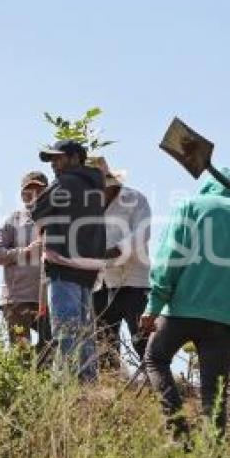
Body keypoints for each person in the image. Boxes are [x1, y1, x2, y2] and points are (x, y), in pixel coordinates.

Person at [141, 168, 230, 434]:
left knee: (155, 359)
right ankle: (213, 455)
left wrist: (154, 305)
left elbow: (168, 260)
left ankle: (178, 430)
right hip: (227, 317)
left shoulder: (190, 206)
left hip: (182, 310)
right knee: (214, 392)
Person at [31, 140, 106, 383]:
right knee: (84, 331)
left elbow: (37, 211)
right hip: (88, 268)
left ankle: (68, 384)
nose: (53, 164)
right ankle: (88, 382)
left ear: (75, 158)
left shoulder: (64, 183)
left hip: (63, 264)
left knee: (65, 329)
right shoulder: (97, 186)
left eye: (58, 158)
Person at [87, 157, 151, 372]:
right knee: (104, 343)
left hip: (133, 281)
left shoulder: (135, 199)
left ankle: (158, 386)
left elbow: (142, 232)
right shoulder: (88, 204)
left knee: (141, 339)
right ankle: (111, 388)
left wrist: (115, 249)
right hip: (100, 283)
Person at [0, 171, 53, 353]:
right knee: (20, 352)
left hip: (47, 299)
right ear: (22, 194)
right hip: (17, 298)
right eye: (29, 190)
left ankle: (40, 381)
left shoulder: (56, 219)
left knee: (50, 348)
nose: (34, 194)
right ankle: (24, 381)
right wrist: (26, 252)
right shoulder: (14, 220)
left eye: (39, 189)